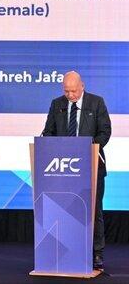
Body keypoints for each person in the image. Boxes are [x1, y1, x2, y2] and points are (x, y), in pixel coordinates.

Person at [42, 71, 110, 271]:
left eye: (73, 91)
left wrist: (88, 148)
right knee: (63, 210)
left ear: (82, 86)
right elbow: (48, 132)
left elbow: (105, 131)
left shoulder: (96, 103)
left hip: (92, 166)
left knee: (94, 211)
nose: (70, 95)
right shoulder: (57, 104)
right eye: (66, 91)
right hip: (63, 168)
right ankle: (65, 252)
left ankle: (97, 253)